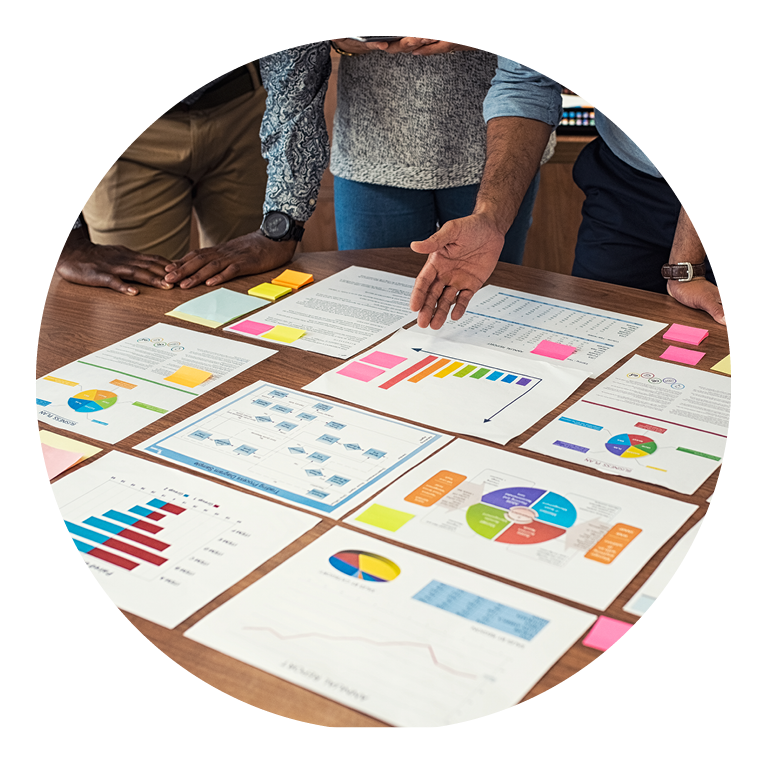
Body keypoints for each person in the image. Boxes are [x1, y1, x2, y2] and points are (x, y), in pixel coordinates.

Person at [409, 57, 726, 330]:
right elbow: (525, 85)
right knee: (596, 334)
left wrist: (685, 265)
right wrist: (491, 218)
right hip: (625, 178)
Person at [327, 38, 553, 264]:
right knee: (369, 293)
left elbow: (531, 58)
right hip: (370, 151)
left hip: (499, 146)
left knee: (491, 292)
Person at [57, 61, 269, 295]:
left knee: (253, 290)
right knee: (139, 304)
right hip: (124, 133)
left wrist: (283, 227)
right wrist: (66, 243)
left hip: (239, 106)